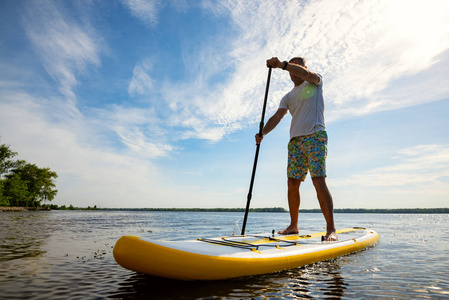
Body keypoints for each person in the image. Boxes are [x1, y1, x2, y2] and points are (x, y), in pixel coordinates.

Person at [256, 56, 338, 241]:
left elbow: (305, 74)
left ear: (303, 67)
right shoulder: (287, 97)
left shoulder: (314, 82)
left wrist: (283, 65)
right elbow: (277, 117)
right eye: (291, 69)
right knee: (292, 183)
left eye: (296, 67)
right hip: (295, 142)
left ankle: (331, 229)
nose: (293, 72)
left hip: (315, 136)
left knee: (318, 180)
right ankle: (293, 226)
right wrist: (262, 133)